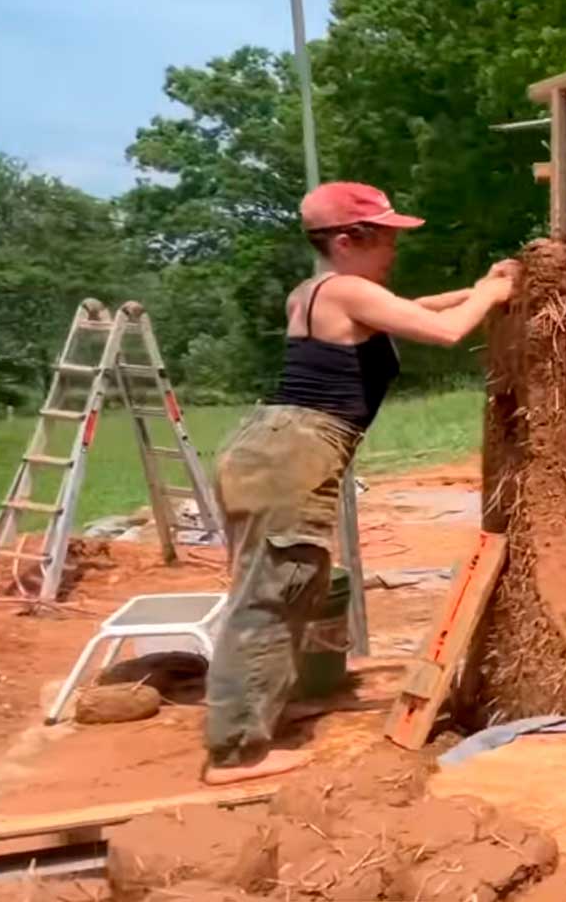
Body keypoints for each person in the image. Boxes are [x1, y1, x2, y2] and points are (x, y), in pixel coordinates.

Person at [202, 181, 518, 785]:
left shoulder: (320, 290)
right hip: (290, 454)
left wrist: (481, 289)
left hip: (275, 447)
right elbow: (450, 331)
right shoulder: (346, 290)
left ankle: (263, 712)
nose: (395, 248)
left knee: (289, 585)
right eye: (386, 236)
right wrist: (492, 291)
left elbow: (416, 307)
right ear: (348, 240)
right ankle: (238, 751)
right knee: (271, 593)